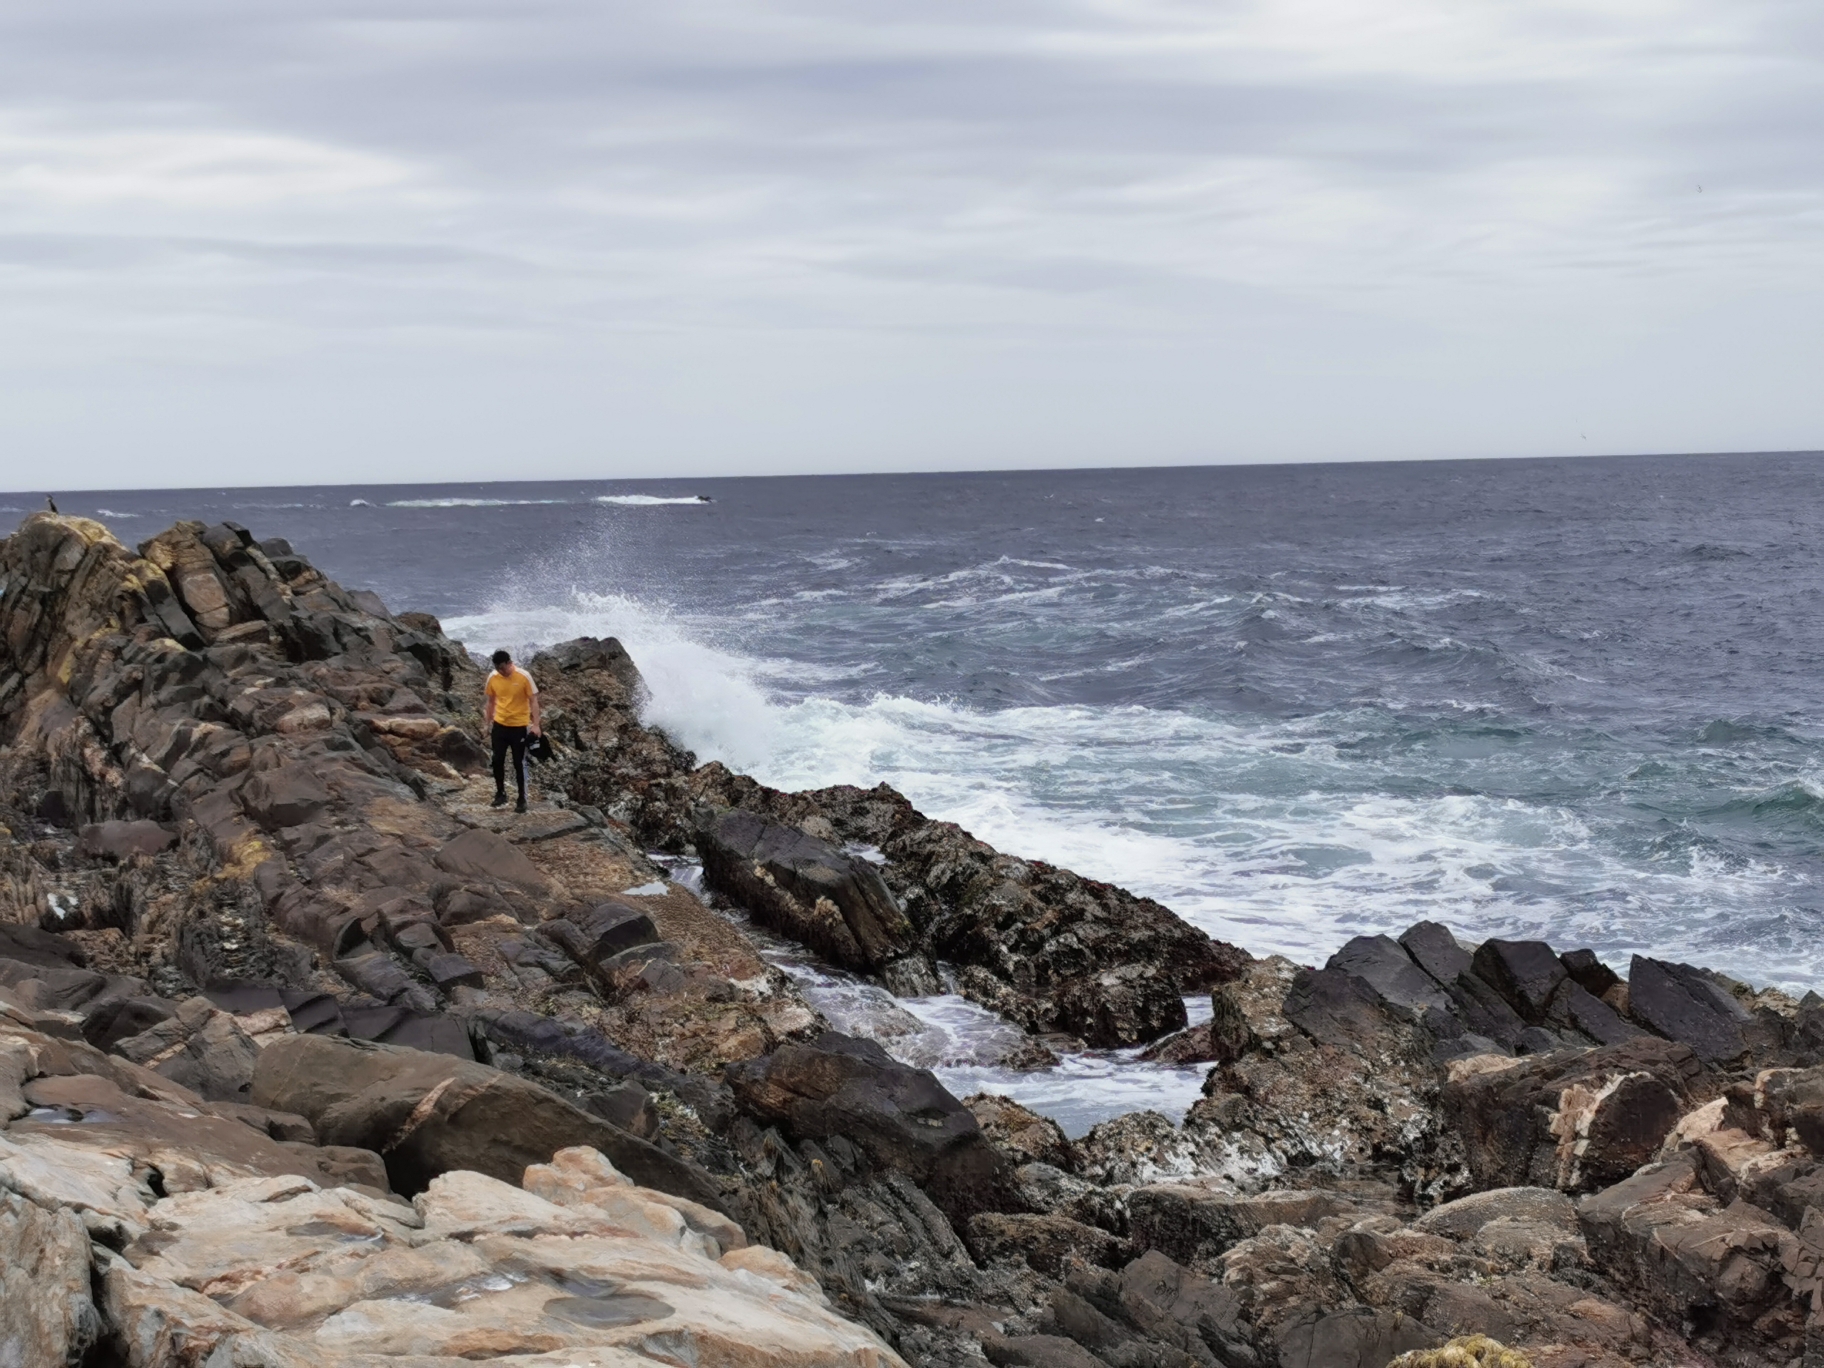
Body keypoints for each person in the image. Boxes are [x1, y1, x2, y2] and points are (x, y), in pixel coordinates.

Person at [483, 649, 540, 812]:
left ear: (510, 663)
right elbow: (490, 702)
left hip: (519, 727)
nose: (502, 671)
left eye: (503, 667)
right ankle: (500, 793)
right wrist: (486, 724)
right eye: (498, 668)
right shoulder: (493, 677)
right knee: (497, 760)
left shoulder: (524, 676)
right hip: (500, 725)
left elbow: (533, 701)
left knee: (518, 763)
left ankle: (522, 798)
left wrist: (536, 725)